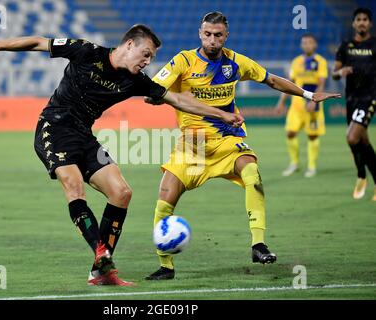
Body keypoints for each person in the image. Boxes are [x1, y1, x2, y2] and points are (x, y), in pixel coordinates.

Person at [0, 24, 245, 286]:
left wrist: (222, 114)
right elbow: (39, 42)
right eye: (146, 54)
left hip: (84, 135)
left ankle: (101, 269)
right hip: (54, 126)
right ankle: (101, 252)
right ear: (129, 45)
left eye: (151, 57)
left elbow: (180, 100)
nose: (147, 61)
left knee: (122, 192)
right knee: (74, 187)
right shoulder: (86, 51)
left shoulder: (136, 81)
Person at [145, 12, 340, 280]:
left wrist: (308, 94)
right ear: (200, 34)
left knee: (252, 172)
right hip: (192, 146)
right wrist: (156, 96)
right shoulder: (184, 60)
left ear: (226, 36)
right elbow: (157, 87)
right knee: (165, 200)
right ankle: (166, 266)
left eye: (218, 35)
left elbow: (270, 79)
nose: (212, 40)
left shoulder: (236, 62)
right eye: (207, 34)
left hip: (227, 140)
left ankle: (258, 244)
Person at [333, 7, 376, 200]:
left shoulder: (375, 44)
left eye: (365, 19)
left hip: (370, 97)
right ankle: (370, 178)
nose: (361, 22)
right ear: (353, 23)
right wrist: (340, 73)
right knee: (363, 141)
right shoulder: (345, 46)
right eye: (358, 19)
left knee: (351, 137)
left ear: (370, 23)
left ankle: (361, 175)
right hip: (352, 98)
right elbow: (335, 72)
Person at [275, 34, 328, 178]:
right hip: (296, 106)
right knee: (290, 133)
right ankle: (294, 163)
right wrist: (281, 102)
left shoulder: (320, 61)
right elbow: (289, 84)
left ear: (315, 45)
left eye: (309, 43)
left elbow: (321, 83)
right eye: (304, 43)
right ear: (301, 45)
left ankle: (311, 166)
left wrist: (313, 101)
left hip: (312, 105)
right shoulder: (296, 61)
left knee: (312, 135)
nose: (307, 45)